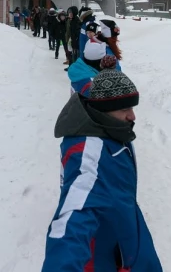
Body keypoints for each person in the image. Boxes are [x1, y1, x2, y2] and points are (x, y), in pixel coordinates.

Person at [42, 57, 163, 272]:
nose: (132, 116)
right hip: (104, 253)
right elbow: (71, 219)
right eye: (124, 109)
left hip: (121, 237)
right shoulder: (89, 153)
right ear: (103, 109)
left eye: (132, 108)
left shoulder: (111, 129)